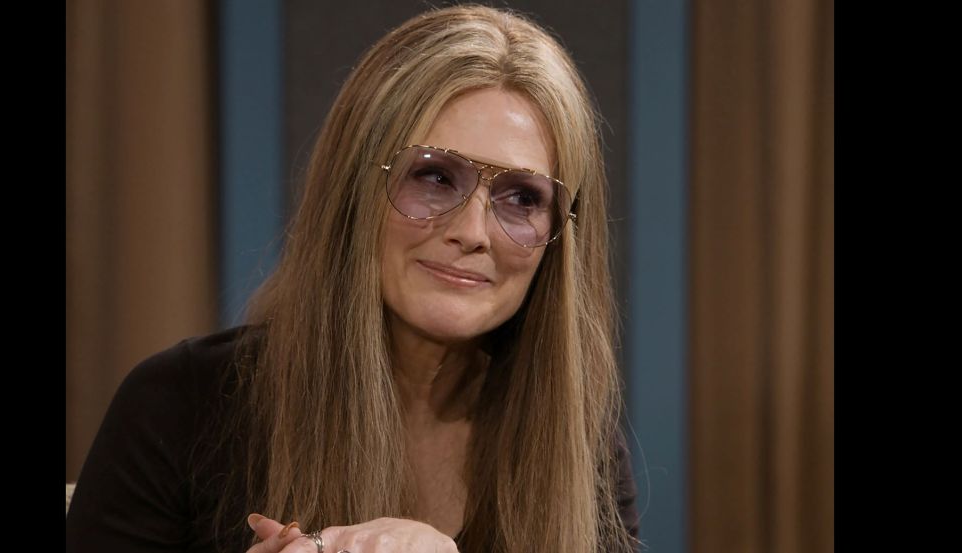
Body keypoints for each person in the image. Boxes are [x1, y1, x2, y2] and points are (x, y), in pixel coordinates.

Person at [65, 5, 641, 552]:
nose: (473, 232)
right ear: (353, 189)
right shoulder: (179, 406)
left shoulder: (579, 445)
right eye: (434, 177)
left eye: (522, 198)